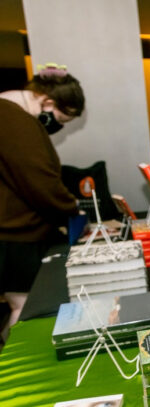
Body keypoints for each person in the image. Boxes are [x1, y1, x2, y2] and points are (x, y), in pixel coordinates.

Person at [0, 63, 85, 340]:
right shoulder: (17, 121)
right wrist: (72, 208)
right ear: (47, 101)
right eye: (61, 118)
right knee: (23, 309)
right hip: (16, 238)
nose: (58, 126)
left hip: (14, 234)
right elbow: (39, 182)